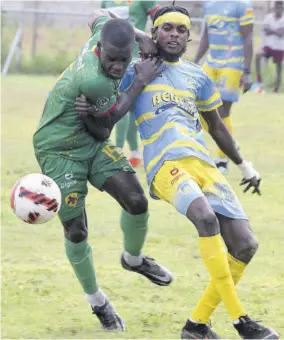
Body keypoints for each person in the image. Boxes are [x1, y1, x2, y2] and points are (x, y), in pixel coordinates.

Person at [75, 5, 279, 339]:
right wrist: (140, 38)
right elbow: (102, 18)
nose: (174, 34)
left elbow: (217, 127)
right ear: (155, 34)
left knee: (245, 245)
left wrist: (245, 165)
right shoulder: (136, 69)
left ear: (189, 37)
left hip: (204, 166)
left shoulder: (197, 76)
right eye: (166, 28)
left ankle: (196, 326)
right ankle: (242, 320)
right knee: (206, 219)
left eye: (181, 30)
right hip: (167, 166)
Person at [33, 10, 172, 333]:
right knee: (77, 230)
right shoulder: (93, 79)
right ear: (99, 50)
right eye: (112, 60)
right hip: (58, 149)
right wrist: (139, 79)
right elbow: (109, 123)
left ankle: (133, 259)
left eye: (124, 60)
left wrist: (141, 35)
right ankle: (97, 301)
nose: (118, 67)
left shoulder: (103, 34)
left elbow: (100, 14)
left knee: (137, 201)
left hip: (89, 140)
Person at [194, 0, 254, 174]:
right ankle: (230, 142)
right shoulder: (210, 4)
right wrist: (196, 61)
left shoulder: (242, 5)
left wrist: (247, 71)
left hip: (232, 63)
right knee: (195, 106)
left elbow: (248, 37)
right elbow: (206, 35)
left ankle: (222, 161)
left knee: (222, 111)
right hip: (211, 63)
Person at [101, 0, 160, 168]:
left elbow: (159, 19)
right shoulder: (106, 1)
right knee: (123, 104)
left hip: (134, 59)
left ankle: (119, 150)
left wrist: (150, 42)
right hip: (112, 59)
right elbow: (102, 26)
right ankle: (134, 153)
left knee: (128, 105)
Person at [254, 1, 284, 93]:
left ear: (282, 8)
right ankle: (259, 82)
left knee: (279, 66)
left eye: (280, 7)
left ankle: (277, 88)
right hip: (268, 46)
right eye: (277, 7)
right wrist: (276, 30)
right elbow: (265, 30)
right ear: (274, 8)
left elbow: (281, 34)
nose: (278, 9)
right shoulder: (268, 17)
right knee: (257, 55)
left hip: (279, 47)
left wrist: (272, 30)